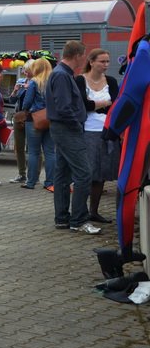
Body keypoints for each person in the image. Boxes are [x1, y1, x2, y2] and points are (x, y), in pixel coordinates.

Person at [46, 40, 100, 234]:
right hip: (68, 129)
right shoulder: (62, 76)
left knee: (62, 174)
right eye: (83, 56)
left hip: (62, 128)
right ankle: (79, 219)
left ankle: (62, 218)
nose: (83, 59)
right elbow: (64, 107)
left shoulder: (60, 74)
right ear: (77, 56)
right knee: (84, 173)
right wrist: (76, 124)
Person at [78, 48, 120, 223]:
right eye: (102, 61)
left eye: (107, 62)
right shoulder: (80, 80)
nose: (106, 65)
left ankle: (94, 211)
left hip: (106, 131)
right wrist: (104, 103)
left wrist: (95, 104)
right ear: (91, 62)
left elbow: (116, 105)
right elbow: (82, 105)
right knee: (88, 172)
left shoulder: (111, 81)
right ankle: (80, 211)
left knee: (102, 172)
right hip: (87, 131)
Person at [20, 58, 56, 192]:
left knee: (34, 152)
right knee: (50, 152)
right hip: (51, 119)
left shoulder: (34, 83)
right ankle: (50, 182)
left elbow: (27, 103)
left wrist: (25, 109)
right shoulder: (54, 82)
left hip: (34, 120)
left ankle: (31, 182)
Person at [6, 62, 32, 183]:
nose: (24, 73)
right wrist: (15, 90)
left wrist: (30, 88)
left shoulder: (39, 82)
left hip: (32, 117)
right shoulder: (22, 81)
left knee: (33, 148)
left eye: (27, 70)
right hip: (19, 117)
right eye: (24, 70)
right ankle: (22, 174)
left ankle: (33, 176)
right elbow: (12, 100)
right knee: (19, 147)